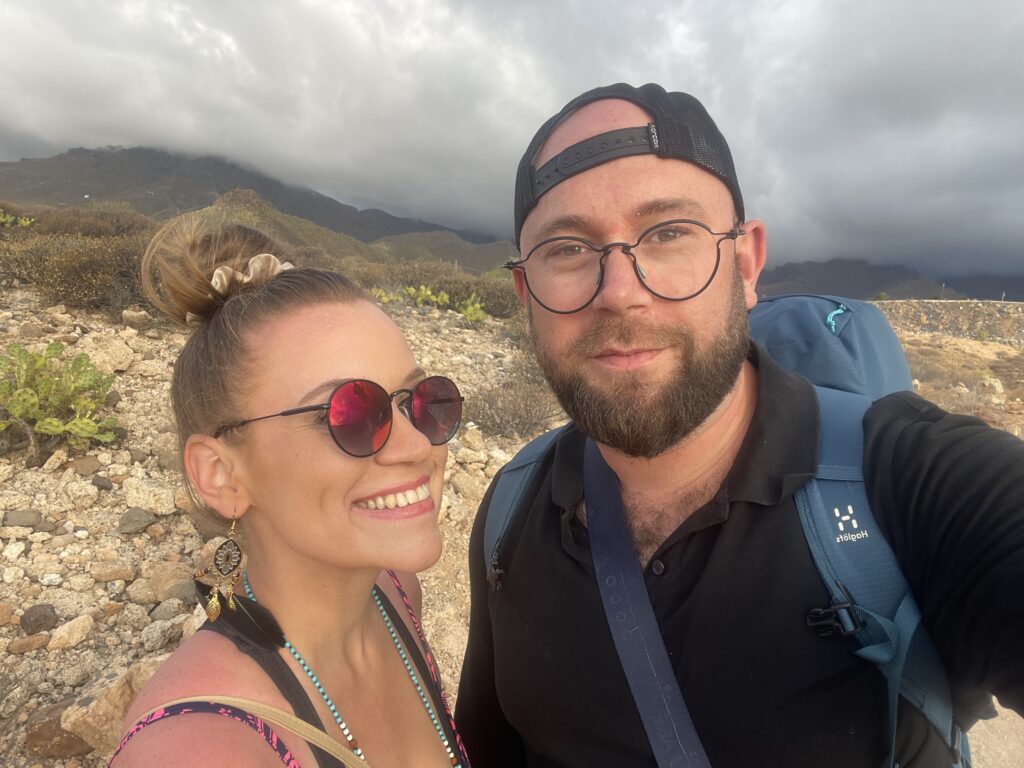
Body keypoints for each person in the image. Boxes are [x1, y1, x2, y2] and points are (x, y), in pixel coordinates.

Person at [455, 82, 1024, 767]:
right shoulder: (512, 509)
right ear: (525, 292)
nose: (619, 293)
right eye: (568, 248)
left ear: (746, 263)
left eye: (669, 233)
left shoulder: (919, 484)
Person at [111, 217, 472, 767]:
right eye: (349, 414)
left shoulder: (397, 594)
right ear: (222, 475)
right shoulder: (198, 750)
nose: (417, 445)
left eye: (420, 400)